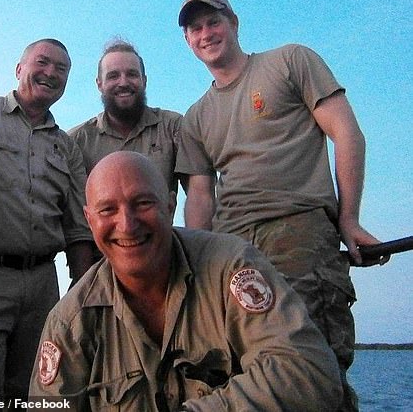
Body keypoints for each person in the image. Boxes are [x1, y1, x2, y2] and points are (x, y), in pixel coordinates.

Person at [175, 0, 383, 411]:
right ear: (187, 40)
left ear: (233, 23)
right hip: (229, 251)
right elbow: (200, 195)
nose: (206, 33)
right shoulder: (195, 116)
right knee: (239, 369)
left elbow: (346, 132)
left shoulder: (290, 61)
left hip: (299, 231)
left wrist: (349, 219)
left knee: (314, 371)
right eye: (195, 28)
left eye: (213, 21)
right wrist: (192, 266)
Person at [29, 151, 342, 411]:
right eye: (108, 209)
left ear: (170, 205)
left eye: (143, 204)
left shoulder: (231, 268)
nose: (127, 225)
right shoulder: (69, 324)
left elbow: (309, 372)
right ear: (89, 220)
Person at [0, 39, 95, 406]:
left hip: (44, 286)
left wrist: (81, 297)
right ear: (19, 69)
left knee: (36, 392)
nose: (50, 73)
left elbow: (78, 227)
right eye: (42, 62)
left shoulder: (67, 147)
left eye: (61, 69)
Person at [69, 39, 184, 193]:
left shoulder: (172, 127)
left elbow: (199, 191)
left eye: (132, 74)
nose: (123, 82)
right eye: (113, 76)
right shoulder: (77, 141)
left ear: (144, 81)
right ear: (99, 84)